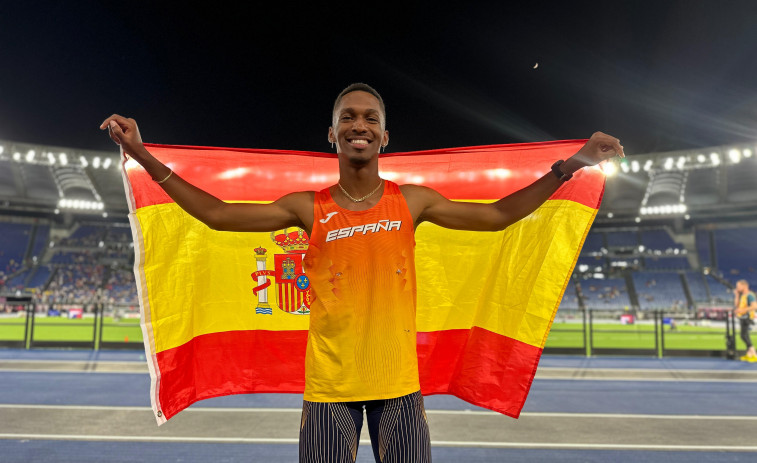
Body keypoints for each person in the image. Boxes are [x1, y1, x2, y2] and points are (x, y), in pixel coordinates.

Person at [101, 83, 623, 463]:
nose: (359, 125)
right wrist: (142, 154)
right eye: (349, 117)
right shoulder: (307, 206)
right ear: (332, 133)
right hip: (330, 390)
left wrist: (571, 164)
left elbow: (497, 217)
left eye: (370, 118)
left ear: (384, 136)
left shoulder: (411, 202)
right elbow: (217, 215)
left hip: (398, 386)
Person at [734, 279, 757, 362]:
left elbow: (754, 306)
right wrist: (736, 295)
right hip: (743, 317)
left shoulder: (750, 295)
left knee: (743, 336)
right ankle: (749, 354)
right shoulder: (742, 295)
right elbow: (736, 305)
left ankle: (754, 353)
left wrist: (743, 310)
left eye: (738, 286)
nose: (737, 288)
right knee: (745, 335)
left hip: (747, 317)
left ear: (744, 286)